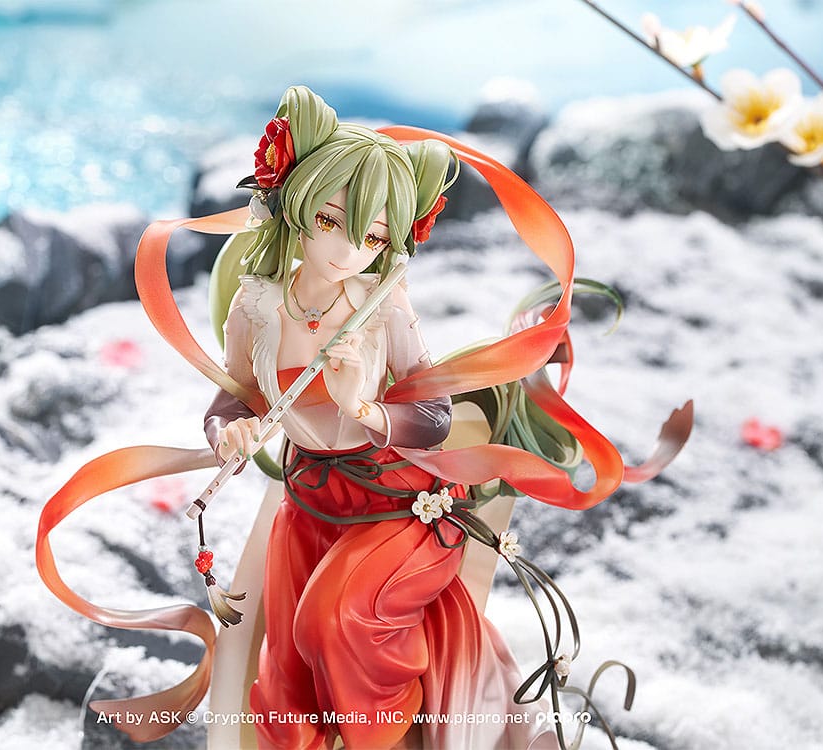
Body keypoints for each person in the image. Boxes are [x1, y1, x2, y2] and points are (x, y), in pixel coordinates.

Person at [36, 86, 691, 749]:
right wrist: (227, 431)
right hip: (309, 503)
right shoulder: (257, 305)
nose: (350, 250)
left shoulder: (383, 305)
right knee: (291, 677)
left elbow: (434, 415)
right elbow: (235, 398)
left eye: (374, 236)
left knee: (336, 619)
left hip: (396, 498)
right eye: (331, 221)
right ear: (296, 205)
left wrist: (365, 408)